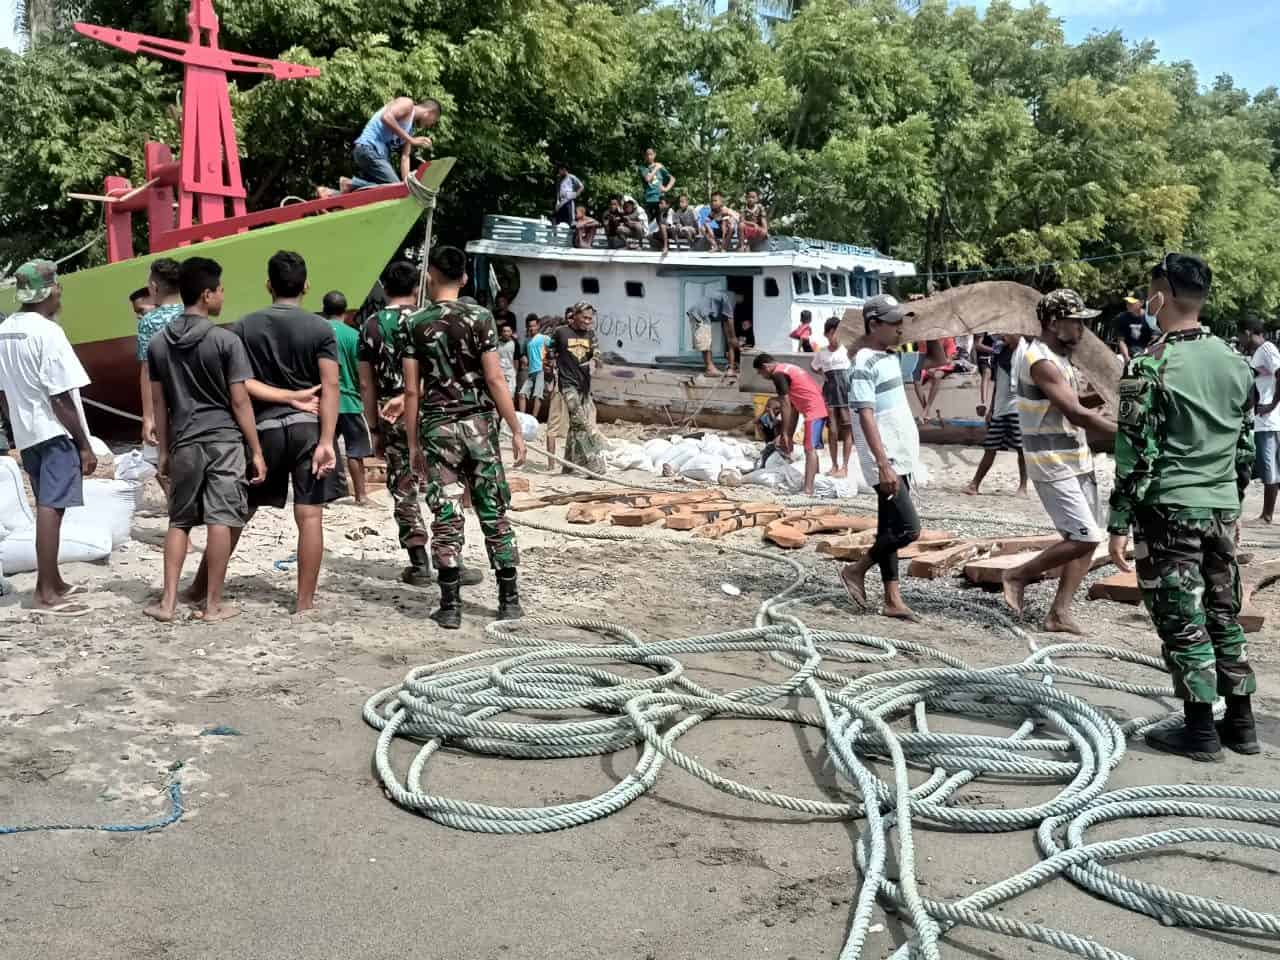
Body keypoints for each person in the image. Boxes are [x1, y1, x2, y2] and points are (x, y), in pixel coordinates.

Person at [1109, 254, 1258, 761]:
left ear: (1160, 294)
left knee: (1181, 617)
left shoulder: (1150, 364)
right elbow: (1246, 448)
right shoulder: (1237, 362)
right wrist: (1228, 502)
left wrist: (1118, 521)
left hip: (1169, 508)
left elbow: (1133, 453)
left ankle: (1199, 731)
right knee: (1223, 613)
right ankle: (1242, 724)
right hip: (1221, 509)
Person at [182, 251, 344, 615]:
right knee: (310, 516)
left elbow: (238, 383)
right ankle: (303, 603)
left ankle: (200, 588)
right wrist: (327, 440)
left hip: (263, 430)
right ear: (306, 286)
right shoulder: (321, 329)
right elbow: (330, 386)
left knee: (239, 512)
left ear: (268, 285)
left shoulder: (244, 327)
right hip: (307, 428)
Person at [402, 246, 527, 629]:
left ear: (431, 275)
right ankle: (508, 600)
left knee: (446, 514)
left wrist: (411, 444)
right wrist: (516, 428)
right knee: (493, 510)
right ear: (465, 278)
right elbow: (494, 378)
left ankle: (451, 605)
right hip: (479, 426)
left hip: (438, 428)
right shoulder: (480, 317)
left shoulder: (414, 323)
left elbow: (412, 391)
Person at [143, 258, 267, 623]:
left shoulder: (159, 343)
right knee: (220, 518)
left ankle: (167, 603)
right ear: (207, 294)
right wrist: (256, 450)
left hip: (183, 442)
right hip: (224, 442)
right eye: (220, 289)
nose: (223, 295)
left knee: (179, 522)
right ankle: (212, 604)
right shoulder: (225, 340)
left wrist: (163, 450)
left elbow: (159, 403)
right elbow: (240, 400)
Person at [1001, 290, 1116, 635]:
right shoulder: (1040, 360)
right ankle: (1017, 575)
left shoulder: (1058, 358)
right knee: (1082, 536)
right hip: (1052, 462)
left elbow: (1074, 400)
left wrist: (1112, 391)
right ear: (1054, 323)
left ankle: (1059, 613)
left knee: (1090, 538)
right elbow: (1076, 412)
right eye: (1077, 322)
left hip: (1075, 457)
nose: (1082, 329)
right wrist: (1127, 432)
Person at [0, 260, 97, 616]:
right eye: (57, 286)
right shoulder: (47, 332)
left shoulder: (5, 329)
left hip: (27, 433)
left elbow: (2, 394)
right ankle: (45, 593)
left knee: (47, 503)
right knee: (51, 508)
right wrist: (84, 444)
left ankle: (52, 581)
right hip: (54, 432)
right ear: (50, 290)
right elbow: (60, 396)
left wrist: (16, 431)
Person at [839, 295, 923, 621]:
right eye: (894, 323)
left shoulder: (889, 357)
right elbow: (865, 415)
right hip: (885, 459)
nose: (900, 328)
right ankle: (855, 570)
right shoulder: (863, 363)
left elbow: (934, 360)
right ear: (874, 325)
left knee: (888, 526)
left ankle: (892, 599)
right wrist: (883, 463)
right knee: (908, 529)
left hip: (899, 456)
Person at [360, 262, 435, 585]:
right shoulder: (426, 321)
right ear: (416, 289)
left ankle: (419, 562)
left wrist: (373, 427)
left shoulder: (372, 325)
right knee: (440, 484)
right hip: (430, 411)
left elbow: (366, 384)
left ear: (385, 289)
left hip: (390, 414)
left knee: (403, 486)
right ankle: (451, 559)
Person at [322, 290, 374, 506]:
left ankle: (321, 497)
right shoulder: (354, 336)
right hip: (350, 401)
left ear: (323, 309)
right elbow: (362, 376)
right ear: (347, 311)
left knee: (323, 448)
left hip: (324, 400)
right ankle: (361, 496)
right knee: (356, 451)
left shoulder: (316, 331)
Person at [327, 97, 441, 194]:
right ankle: (350, 184)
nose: (430, 125)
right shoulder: (407, 104)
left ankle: (331, 194)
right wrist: (411, 140)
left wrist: (406, 185)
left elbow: (405, 157)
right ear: (430, 113)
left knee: (388, 192)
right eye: (433, 121)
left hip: (376, 156)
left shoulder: (410, 130)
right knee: (395, 188)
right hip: (368, 148)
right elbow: (386, 117)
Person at [753, 352, 827, 495]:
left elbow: (785, 404)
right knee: (811, 450)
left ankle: (808, 489)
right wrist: (787, 434)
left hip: (814, 411)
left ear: (765, 367)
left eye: (760, 373)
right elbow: (793, 408)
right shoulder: (787, 369)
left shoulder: (778, 374)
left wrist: (785, 434)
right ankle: (816, 482)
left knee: (810, 450)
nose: (762, 377)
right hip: (817, 408)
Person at [547, 302, 606, 474]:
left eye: (590, 318)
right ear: (575, 315)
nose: (588, 321)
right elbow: (550, 351)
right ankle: (593, 463)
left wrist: (595, 360)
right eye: (585, 318)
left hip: (584, 386)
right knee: (580, 420)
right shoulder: (560, 332)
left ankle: (568, 465)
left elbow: (597, 352)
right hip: (567, 384)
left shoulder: (590, 334)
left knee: (574, 426)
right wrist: (551, 369)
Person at [965, 333, 1027, 496]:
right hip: (1000, 408)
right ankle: (974, 484)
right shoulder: (1000, 353)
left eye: (1008, 333)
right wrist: (991, 409)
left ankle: (1023, 487)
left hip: (1017, 408)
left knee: (1021, 449)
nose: (1003, 336)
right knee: (990, 447)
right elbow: (998, 384)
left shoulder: (1024, 354)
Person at [1238, 316, 1280, 523]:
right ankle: (1267, 514)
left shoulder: (1267, 349)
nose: (1239, 340)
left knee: (1269, 467)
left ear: (1247, 332)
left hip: (1270, 420)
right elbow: (1256, 389)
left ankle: (1266, 516)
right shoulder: (1259, 353)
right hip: (1263, 419)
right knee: (1269, 467)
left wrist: (1272, 404)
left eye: (1239, 336)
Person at [137, 258, 183, 447]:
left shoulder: (148, 322)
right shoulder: (193, 313)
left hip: (167, 401)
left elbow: (147, 370)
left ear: (154, 287)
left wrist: (148, 417)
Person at [812, 316, 853, 477]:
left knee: (847, 428)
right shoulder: (822, 353)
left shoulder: (848, 350)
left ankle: (845, 466)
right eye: (833, 333)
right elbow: (815, 367)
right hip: (829, 393)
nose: (836, 336)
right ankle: (834, 465)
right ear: (827, 334)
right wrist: (825, 374)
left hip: (846, 393)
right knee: (833, 430)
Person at [518, 316, 550, 419]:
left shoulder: (544, 338)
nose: (532, 328)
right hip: (531, 372)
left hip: (541, 370)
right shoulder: (527, 341)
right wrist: (523, 358)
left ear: (538, 326)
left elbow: (554, 348)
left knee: (537, 396)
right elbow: (522, 353)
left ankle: (534, 419)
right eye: (529, 326)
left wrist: (549, 362)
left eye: (534, 326)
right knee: (522, 394)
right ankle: (522, 418)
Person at [1112, 295, 1153, 363]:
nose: (1128, 304)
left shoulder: (1150, 318)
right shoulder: (1121, 318)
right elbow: (1121, 340)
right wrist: (1126, 357)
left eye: (1131, 302)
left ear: (1142, 303)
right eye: (1127, 302)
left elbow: (1155, 339)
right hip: (1128, 354)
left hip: (1146, 354)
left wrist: (1146, 355)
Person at [639, 147, 675, 222]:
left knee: (661, 223)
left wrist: (666, 188)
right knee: (646, 223)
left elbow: (672, 178)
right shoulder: (643, 168)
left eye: (651, 154)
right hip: (648, 199)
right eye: (647, 155)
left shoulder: (661, 167)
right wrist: (656, 168)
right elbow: (648, 179)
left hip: (659, 199)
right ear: (645, 156)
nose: (649, 157)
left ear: (654, 155)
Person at [497, 322, 518, 396]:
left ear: (511, 332)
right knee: (500, 394)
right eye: (504, 331)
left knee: (511, 394)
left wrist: (515, 372)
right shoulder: (496, 343)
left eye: (508, 331)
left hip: (510, 372)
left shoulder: (515, 343)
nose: (506, 333)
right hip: (499, 372)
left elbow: (516, 358)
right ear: (501, 332)